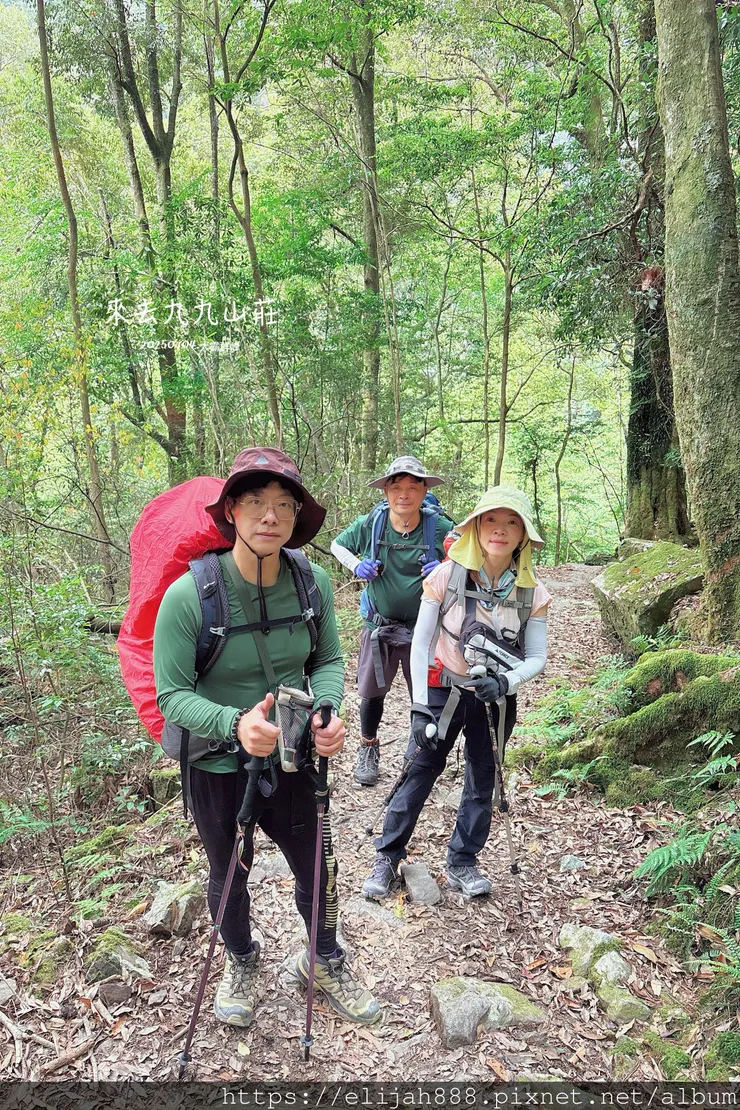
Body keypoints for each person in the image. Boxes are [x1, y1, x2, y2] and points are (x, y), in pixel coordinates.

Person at [154, 448, 380, 1028]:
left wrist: (327, 712)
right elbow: (172, 696)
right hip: (216, 764)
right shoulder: (190, 597)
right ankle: (242, 958)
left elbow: (328, 658)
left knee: (317, 864)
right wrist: (234, 723)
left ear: (297, 515)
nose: (270, 516)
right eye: (255, 502)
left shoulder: (314, 584)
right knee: (228, 869)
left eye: (284, 504)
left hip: (293, 755)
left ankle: (323, 958)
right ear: (231, 510)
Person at [362, 485, 552, 900]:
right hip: (442, 692)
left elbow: (537, 656)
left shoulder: (532, 592)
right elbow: (421, 640)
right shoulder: (445, 576)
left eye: (511, 522)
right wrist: (416, 708)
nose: (499, 530)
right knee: (419, 770)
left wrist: (506, 681)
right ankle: (388, 855)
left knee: (483, 777)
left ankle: (463, 860)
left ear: (523, 535)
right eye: (491, 520)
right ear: (476, 527)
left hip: (496, 699)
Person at [331, 456, 455, 787]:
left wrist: (446, 568)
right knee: (372, 694)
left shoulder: (438, 526)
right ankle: (369, 748)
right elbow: (337, 545)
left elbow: (467, 557)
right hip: (378, 626)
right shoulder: (373, 523)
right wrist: (357, 566)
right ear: (386, 491)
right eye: (396, 487)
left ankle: (418, 752)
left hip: (425, 630)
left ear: (424, 489)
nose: (404, 494)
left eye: (412, 487)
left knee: (427, 692)